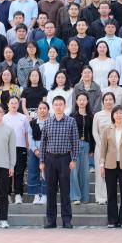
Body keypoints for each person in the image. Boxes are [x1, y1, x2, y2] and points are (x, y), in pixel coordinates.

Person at [41, 95, 81, 228]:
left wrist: (74, 159)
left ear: (65, 106)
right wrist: (42, 161)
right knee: (50, 191)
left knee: (65, 190)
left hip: (65, 159)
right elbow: (43, 143)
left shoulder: (71, 121)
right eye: (56, 104)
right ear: (53, 106)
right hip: (50, 159)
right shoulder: (47, 122)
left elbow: (75, 142)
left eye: (61, 104)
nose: (58, 107)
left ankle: (67, 220)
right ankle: (51, 221)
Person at [99, 106, 122, 228]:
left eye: (121, 113)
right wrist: (101, 165)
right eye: (116, 113)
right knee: (111, 193)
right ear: (113, 115)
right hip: (110, 165)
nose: (119, 115)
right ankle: (112, 220)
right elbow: (103, 149)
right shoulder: (107, 130)